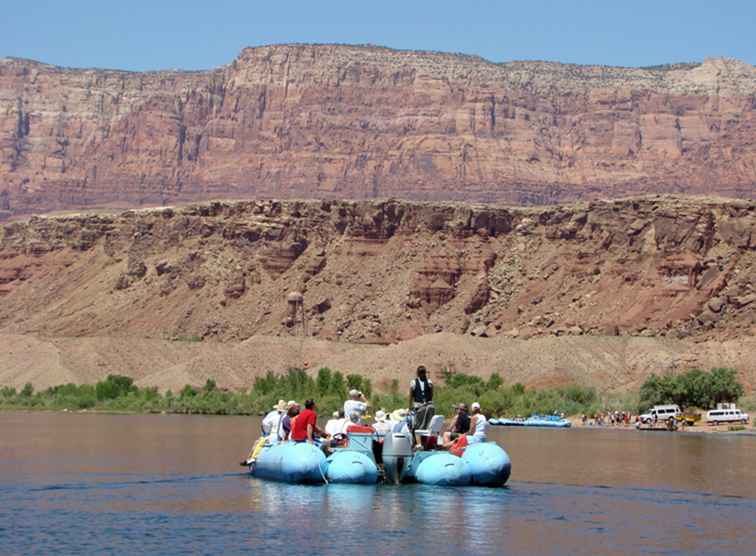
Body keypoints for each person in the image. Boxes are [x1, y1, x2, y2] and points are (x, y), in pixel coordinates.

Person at [409, 366, 435, 432]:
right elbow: (411, 396)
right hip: (423, 405)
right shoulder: (415, 382)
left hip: (423, 405)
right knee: (423, 423)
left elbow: (411, 396)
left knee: (420, 424)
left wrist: (410, 407)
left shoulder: (427, 382)